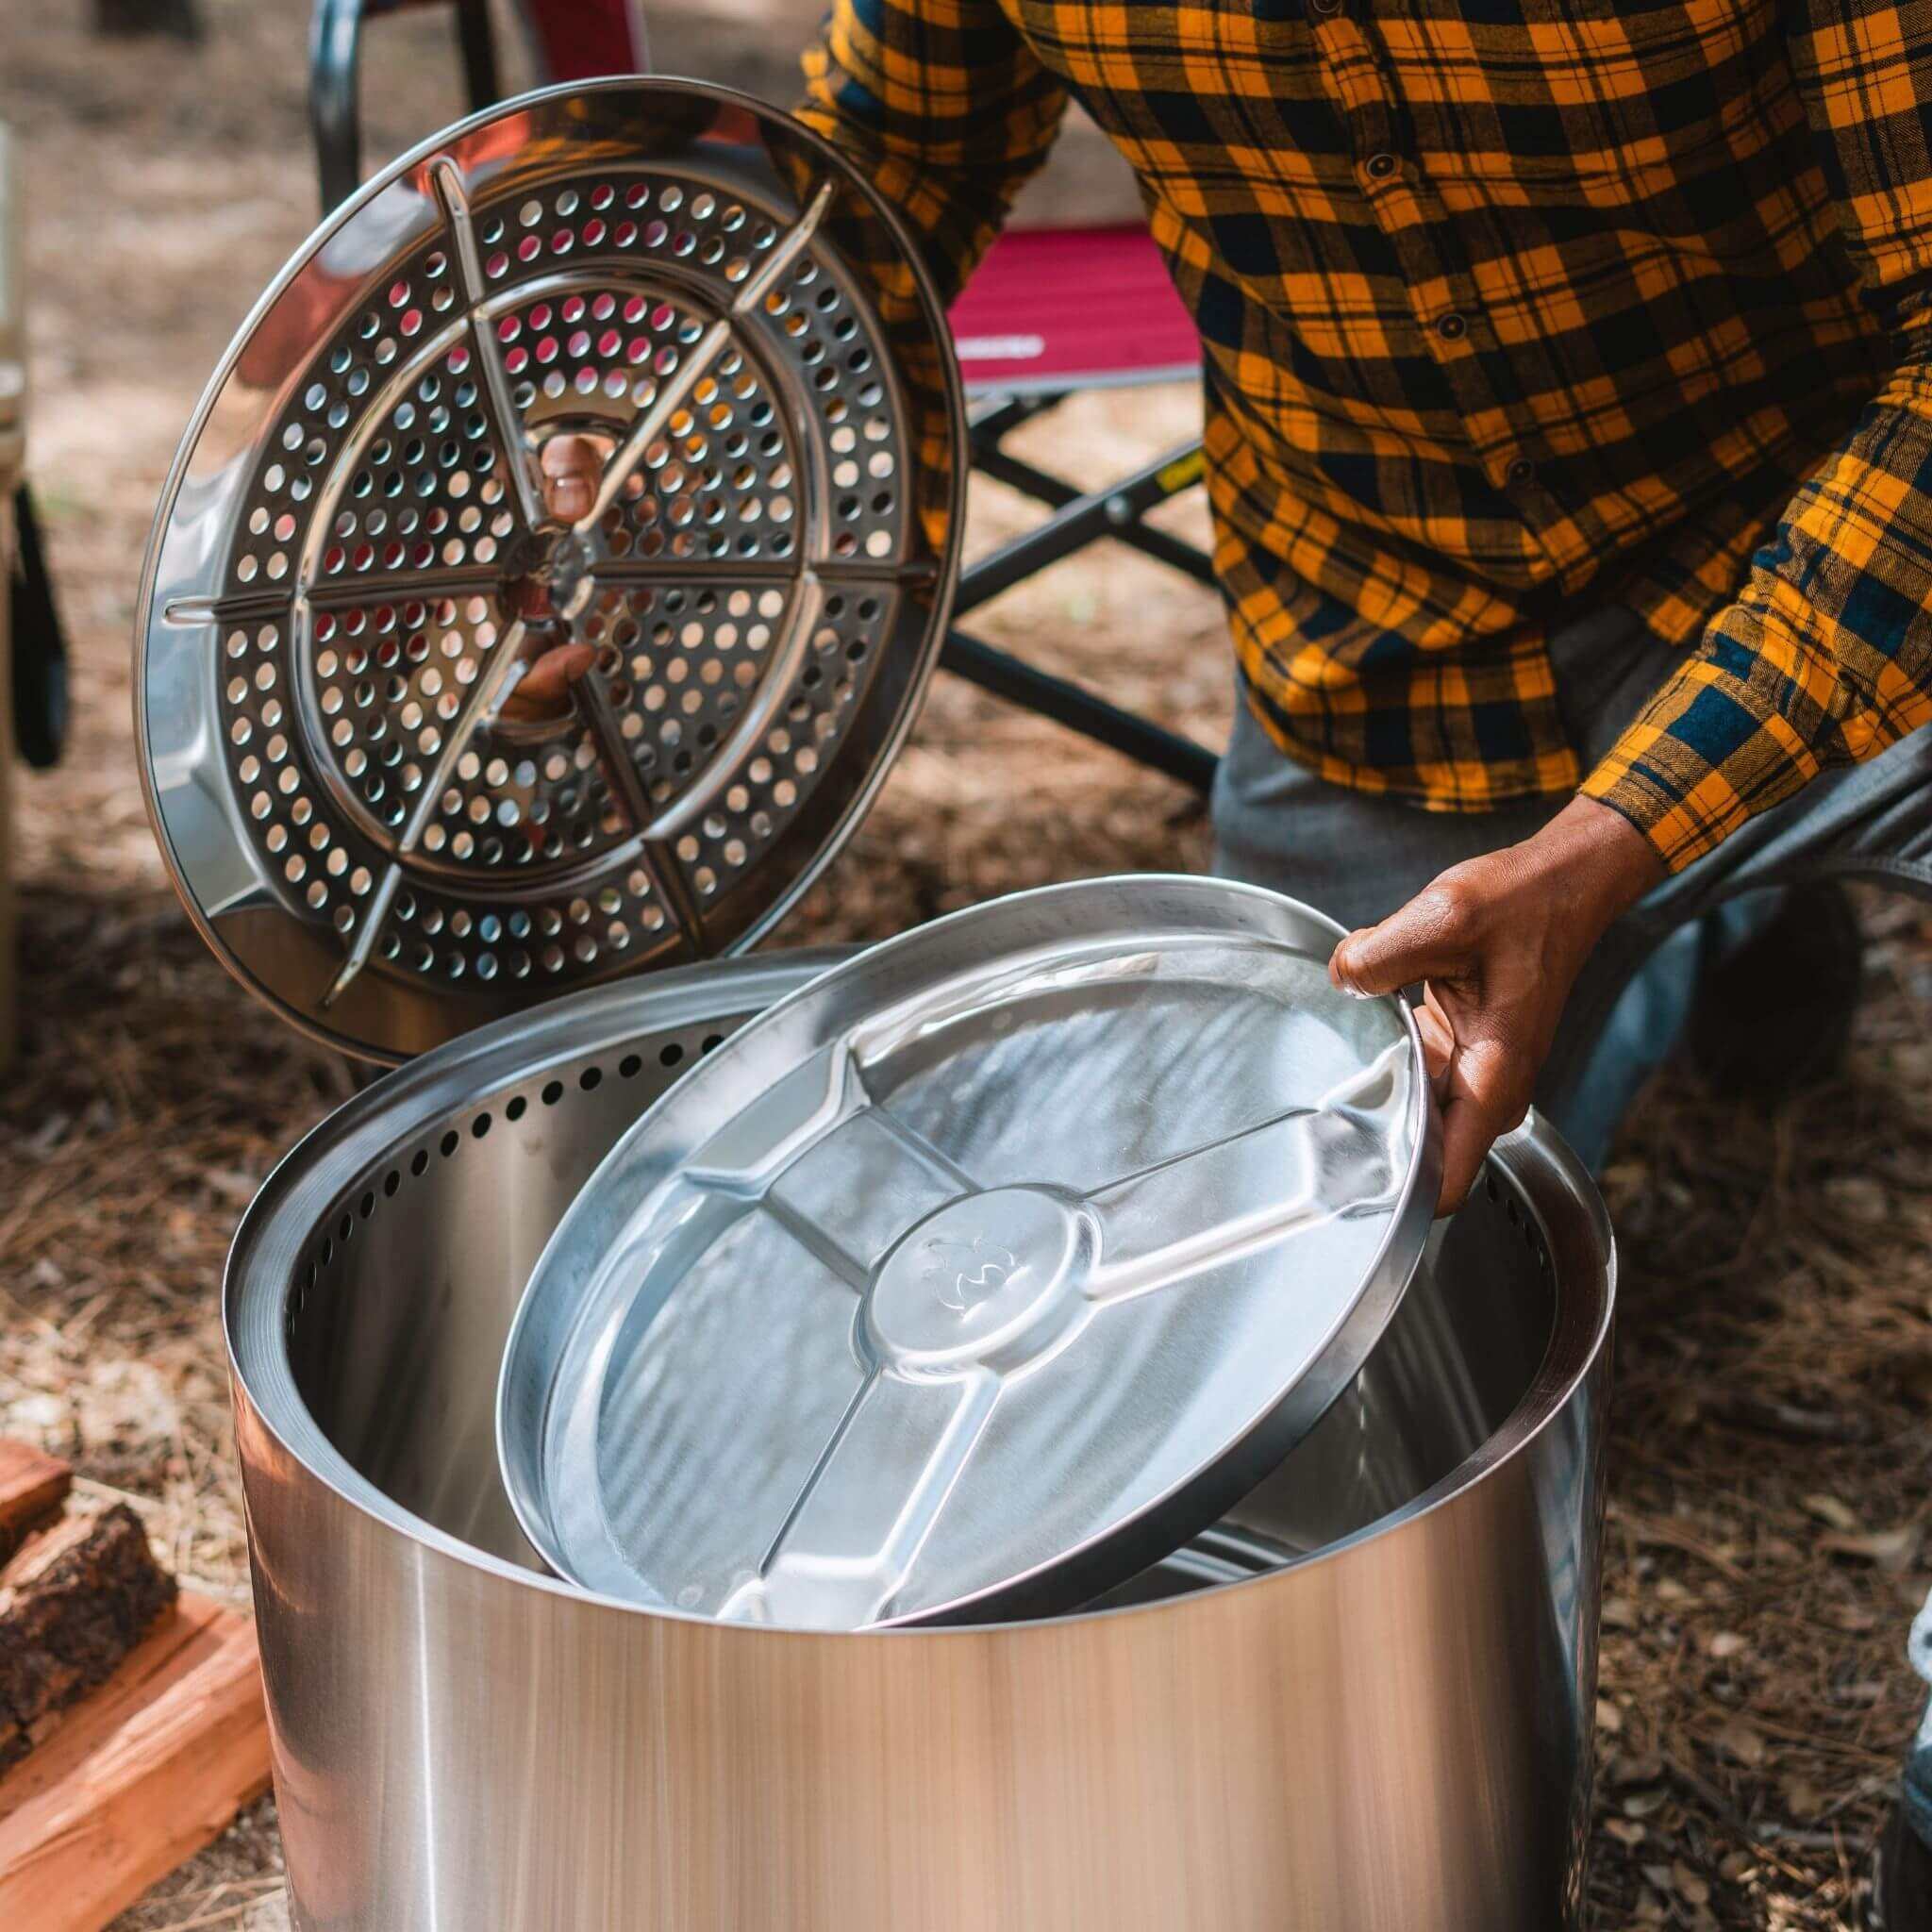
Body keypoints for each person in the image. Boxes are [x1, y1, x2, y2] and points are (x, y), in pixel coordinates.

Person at [774, 0, 1932, 1915]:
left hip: (1826, 538)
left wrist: (1623, 831)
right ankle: (1701, 939)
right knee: (1272, 1321)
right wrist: (652, 474)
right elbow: (891, 165)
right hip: (1392, 616)